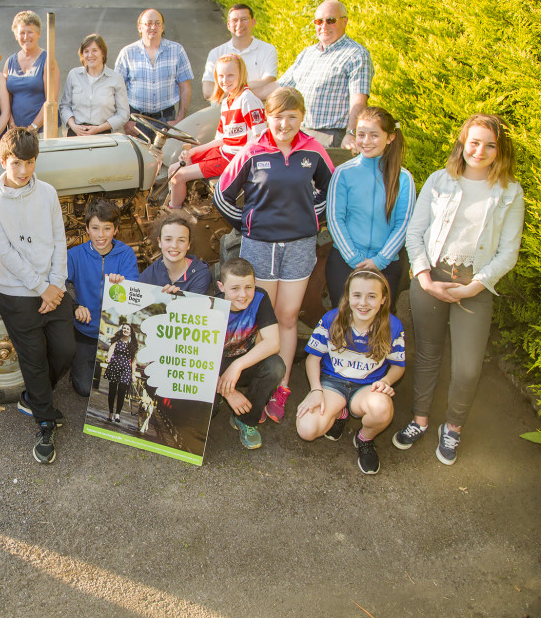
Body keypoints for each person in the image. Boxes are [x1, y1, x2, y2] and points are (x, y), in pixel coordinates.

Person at [395, 113, 524, 465]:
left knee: (467, 367)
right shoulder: (440, 181)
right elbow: (415, 233)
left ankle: (452, 427)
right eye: (474, 142)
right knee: (427, 353)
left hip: (475, 285)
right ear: (462, 144)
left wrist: (474, 288)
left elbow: (508, 253)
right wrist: (423, 277)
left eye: (489, 145)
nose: (479, 150)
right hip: (431, 278)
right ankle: (420, 419)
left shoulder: (510, 192)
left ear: (500, 150)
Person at [213, 87, 334, 422]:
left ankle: (281, 388)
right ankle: (258, 384)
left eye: (292, 117)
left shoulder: (312, 151)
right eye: (278, 116)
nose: (284, 123)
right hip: (260, 245)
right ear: (267, 116)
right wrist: (248, 223)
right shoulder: (253, 150)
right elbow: (223, 194)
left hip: (298, 245)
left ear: (301, 118)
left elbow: (331, 188)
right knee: (261, 318)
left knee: (288, 316)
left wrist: (312, 215)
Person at [0, 128, 74, 464]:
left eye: (30, 162)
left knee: (65, 349)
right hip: (17, 293)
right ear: (4, 161)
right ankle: (45, 422)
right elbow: (4, 253)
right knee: (33, 358)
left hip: (53, 287)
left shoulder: (47, 193)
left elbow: (59, 240)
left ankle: (35, 396)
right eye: (17, 163)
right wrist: (41, 288)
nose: (23, 171)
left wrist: (56, 285)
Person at [297, 268, 405, 474]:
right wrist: (316, 391)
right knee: (307, 429)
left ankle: (364, 438)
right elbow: (313, 359)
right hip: (333, 383)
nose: (363, 303)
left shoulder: (392, 325)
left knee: (382, 408)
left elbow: (398, 366)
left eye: (372, 296)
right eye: (357, 295)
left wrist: (387, 381)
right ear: (347, 296)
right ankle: (340, 411)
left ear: (383, 299)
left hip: (366, 387)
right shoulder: (331, 319)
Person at [326, 106, 414, 308]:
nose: (366, 141)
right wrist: (354, 258)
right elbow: (335, 218)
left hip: (386, 264)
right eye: (361, 134)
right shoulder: (343, 173)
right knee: (343, 321)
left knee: (379, 325)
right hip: (345, 262)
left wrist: (380, 261)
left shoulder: (404, 178)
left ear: (390, 137)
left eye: (374, 135)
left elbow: (403, 223)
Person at [168, 54, 266, 208]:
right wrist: (194, 152)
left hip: (235, 159)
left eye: (230, 75)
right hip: (223, 152)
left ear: (241, 75)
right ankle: (174, 203)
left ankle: (175, 213)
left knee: (178, 176)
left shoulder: (247, 99)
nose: (225, 80)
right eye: (221, 76)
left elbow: (261, 138)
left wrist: (243, 160)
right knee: (174, 168)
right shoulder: (227, 101)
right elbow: (221, 139)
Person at [66, 198, 138, 397]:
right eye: (95, 228)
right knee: (84, 389)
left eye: (107, 229)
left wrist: (121, 285)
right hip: (85, 331)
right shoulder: (74, 255)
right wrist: (75, 305)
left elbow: (132, 293)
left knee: (112, 389)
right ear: (87, 229)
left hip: (113, 333)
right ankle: (78, 363)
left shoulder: (126, 254)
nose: (101, 235)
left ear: (116, 230)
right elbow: (61, 285)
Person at [276, 0, 372, 148]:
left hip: (331, 137)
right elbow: (279, 87)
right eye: (319, 21)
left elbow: (359, 101)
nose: (324, 26)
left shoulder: (356, 54)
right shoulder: (307, 54)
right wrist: (244, 88)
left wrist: (352, 134)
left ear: (345, 21)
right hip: (300, 133)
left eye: (331, 20)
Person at [215, 258, 285, 450]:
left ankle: (247, 420)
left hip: (243, 364)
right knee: (209, 411)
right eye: (235, 288)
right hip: (213, 368)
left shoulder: (260, 298)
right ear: (221, 286)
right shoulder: (211, 305)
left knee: (275, 366)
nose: (243, 295)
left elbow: (273, 343)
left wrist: (237, 366)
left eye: (249, 287)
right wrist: (228, 392)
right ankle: (221, 397)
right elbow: (197, 358)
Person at [114, 9, 193, 139]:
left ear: (162, 27)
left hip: (166, 120)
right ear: (140, 27)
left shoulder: (177, 51)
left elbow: (185, 87)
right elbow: (117, 89)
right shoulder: (127, 53)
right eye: (148, 23)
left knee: (165, 159)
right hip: (136, 121)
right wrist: (125, 120)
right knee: (138, 159)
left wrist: (179, 120)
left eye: (157, 23)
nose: (153, 27)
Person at [201, 4, 277, 101]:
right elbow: (208, 92)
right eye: (235, 20)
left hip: (255, 110)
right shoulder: (216, 53)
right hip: (221, 111)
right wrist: (249, 90)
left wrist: (226, 91)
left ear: (253, 22)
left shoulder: (268, 50)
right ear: (228, 25)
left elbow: (269, 83)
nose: (239, 24)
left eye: (244, 19)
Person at [59, 34, 129, 137]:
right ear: (82, 54)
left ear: (103, 53)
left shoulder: (116, 78)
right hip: (76, 134)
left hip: (104, 135)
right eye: (86, 51)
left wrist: (99, 129)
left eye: (95, 50)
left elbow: (123, 114)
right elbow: (65, 106)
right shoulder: (74, 75)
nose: (90, 55)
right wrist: (73, 126)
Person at [3, 11, 58, 131]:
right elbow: (6, 102)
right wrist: (12, 126)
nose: (26, 37)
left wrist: (33, 127)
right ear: (16, 36)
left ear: (38, 34)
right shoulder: (10, 62)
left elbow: (51, 100)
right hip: (17, 133)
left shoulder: (48, 60)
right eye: (22, 33)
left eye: (30, 32)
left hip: (43, 132)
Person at [136, 215, 211, 295]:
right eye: (168, 239)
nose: (174, 245)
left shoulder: (200, 274)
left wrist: (176, 299)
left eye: (181, 240)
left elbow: (195, 306)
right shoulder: (148, 276)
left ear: (189, 244)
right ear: (160, 242)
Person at [102, 323, 138, 423]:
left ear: (131, 332)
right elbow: (111, 350)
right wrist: (108, 358)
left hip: (126, 369)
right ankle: (110, 412)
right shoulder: (117, 341)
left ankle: (118, 414)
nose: (125, 330)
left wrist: (133, 374)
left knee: (122, 390)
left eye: (127, 329)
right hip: (115, 366)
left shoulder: (132, 345)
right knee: (112, 390)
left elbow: (134, 360)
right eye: (124, 328)